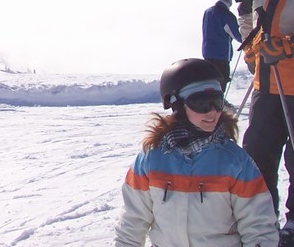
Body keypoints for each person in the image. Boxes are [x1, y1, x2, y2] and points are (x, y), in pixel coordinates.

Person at [114, 58, 278, 247]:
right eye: (201, 103)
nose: (212, 112)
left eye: (217, 101)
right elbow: (131, 223)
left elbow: (259, 227)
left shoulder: (235, 162)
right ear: (178, 105)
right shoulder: (152, 159)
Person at [236, 0, 294, 245]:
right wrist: (252, 51)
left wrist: (288, 47)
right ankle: (260, 223)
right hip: (268, 81)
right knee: (257, 154)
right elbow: (247, 9)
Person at [201, 0, 242, 89]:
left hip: (207, 52)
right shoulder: (227, 15)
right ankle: (220, 100)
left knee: (211, 79)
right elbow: (236, 34)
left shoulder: (208, 12)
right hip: (221, 54)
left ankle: (210, 100)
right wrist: (247, 40)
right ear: (229, 3)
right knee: (222, 78)